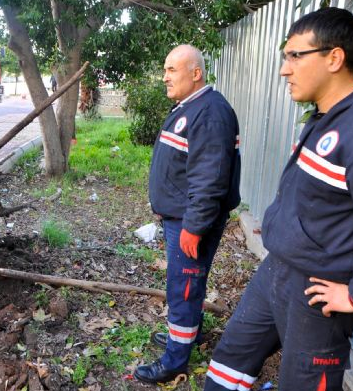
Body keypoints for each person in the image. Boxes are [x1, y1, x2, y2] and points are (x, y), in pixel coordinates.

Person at [204, 7, 353, 391]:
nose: (285, 69)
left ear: (334, 57)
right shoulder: (323, 117)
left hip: (318, 293)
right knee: (226, 368)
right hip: (276, 271)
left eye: (294, 56)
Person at [134, 44, 241, 385]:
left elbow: (209, 180)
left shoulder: (209, 113)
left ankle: (175, 361)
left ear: (196, 74)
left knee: (183, 287)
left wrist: (194, 227)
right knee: (187, 284)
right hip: (181, 217)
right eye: (164, 69)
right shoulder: (192, 107)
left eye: (171, 70)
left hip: (191, 221)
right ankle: (186, 337)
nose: (164, 77)